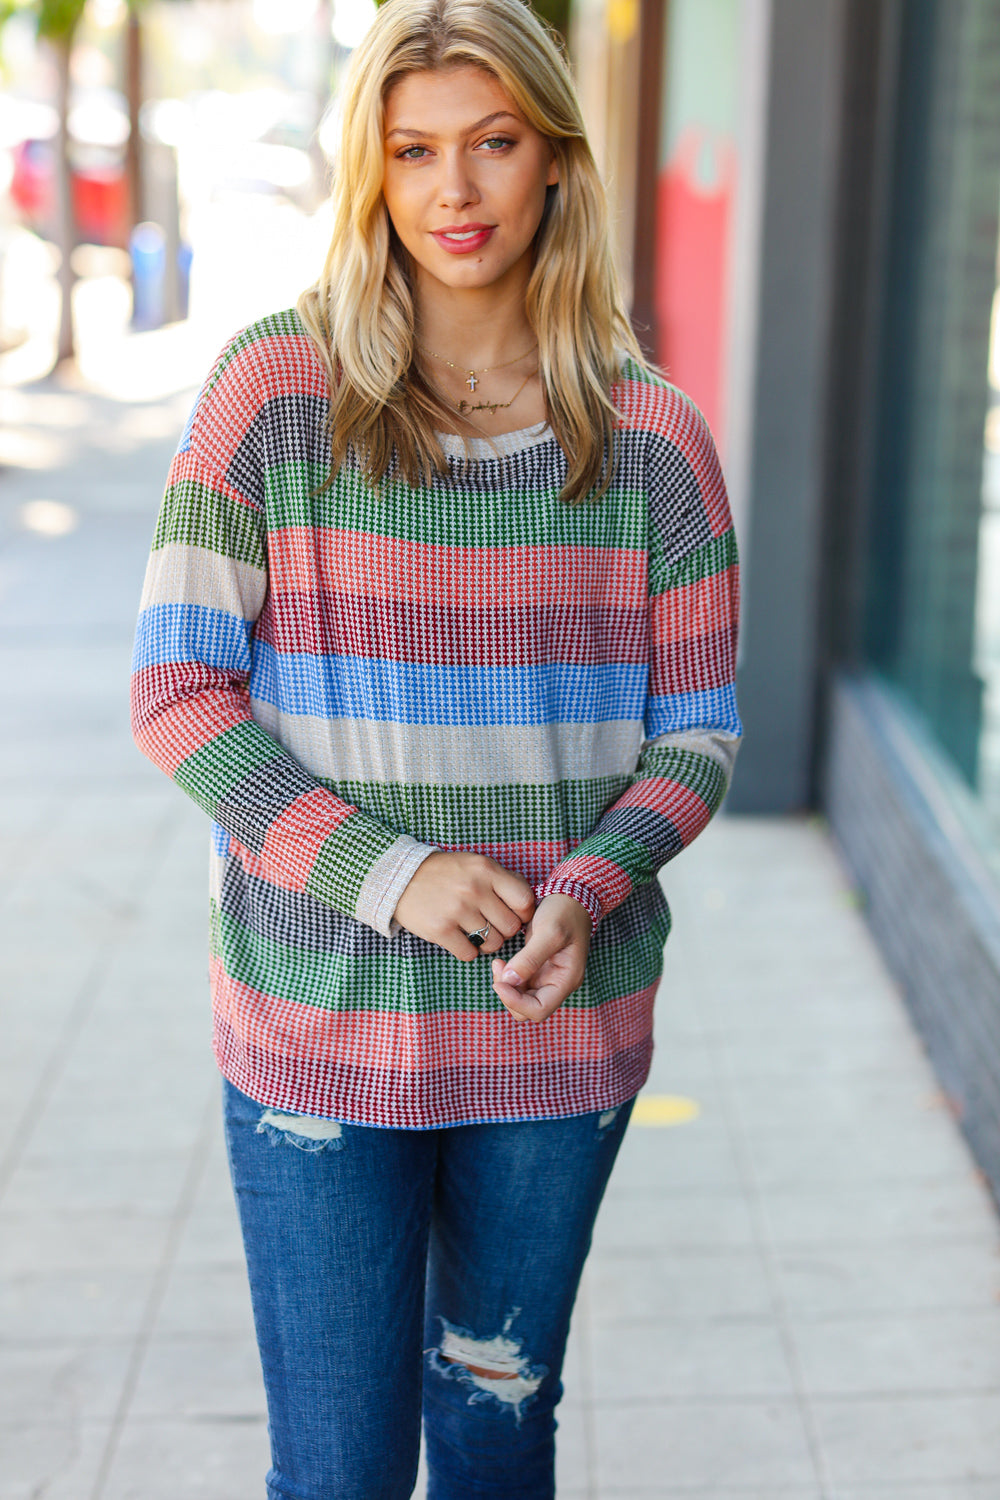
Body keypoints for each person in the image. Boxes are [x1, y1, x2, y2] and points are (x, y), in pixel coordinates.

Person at [130, 0, 741, 1493]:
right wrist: (390, 872)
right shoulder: (274, 394)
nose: (454, 190)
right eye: (413, 151)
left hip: (558, 1025)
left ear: (557, 161)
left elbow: (698, 731)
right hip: (318, 1023)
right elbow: (178, 690)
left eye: (494, 143)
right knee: (338, 1469)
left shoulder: (655, 440)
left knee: (493, 1434)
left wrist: (590, 885)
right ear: (372, 170)